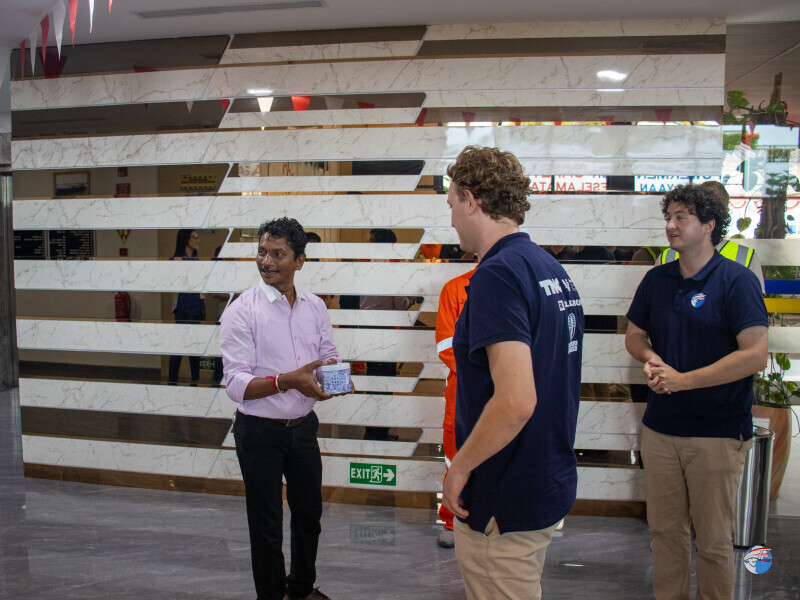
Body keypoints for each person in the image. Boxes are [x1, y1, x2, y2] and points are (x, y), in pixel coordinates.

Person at [441, 146, 584, 600]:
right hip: (541, 479)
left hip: (503, 492)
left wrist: (459, 469)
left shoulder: (497, 275)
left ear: (471, 200)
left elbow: (517, 401)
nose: (451, 219)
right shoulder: (548, 268)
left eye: (451, 204)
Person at [625, 184, 768, 600]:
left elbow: (755, 355)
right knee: (665, 534)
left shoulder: (736, 281)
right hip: (661, 430)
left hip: (716, 433)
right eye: (668, 217)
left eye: (681, 217)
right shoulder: (657, 279)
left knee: (713, 540)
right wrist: (650, 358)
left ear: (709, 225)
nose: (671, 225)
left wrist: (685, 380)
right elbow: (634, 335)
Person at [220, 217, 346, 600]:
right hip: (259, 433)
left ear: (299, 261)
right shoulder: (242, 310)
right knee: (266, 525)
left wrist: (334, 379)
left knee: (309, 515)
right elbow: (236, 385)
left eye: (278, 253)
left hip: (303, 428)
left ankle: (301, 589)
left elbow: (326, 356)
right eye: (262, 252)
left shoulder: (315, 307)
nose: (266, 261)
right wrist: (286, 381)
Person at [434, 265, 476, 548]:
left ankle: (496, 518)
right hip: (464, 387)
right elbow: (445, 344)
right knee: (456, 451)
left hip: (507, 386)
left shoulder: (516, 284)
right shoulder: (455, 289)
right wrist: (482, 374)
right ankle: (452, 520)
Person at [168, 229, 205, 385]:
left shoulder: (197, 260)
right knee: (180, 345)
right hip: (183, 306)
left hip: (197, 304)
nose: (198, 240)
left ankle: (195, 380)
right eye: (194, 237)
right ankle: (172, 381)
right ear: (185, 239)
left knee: (195, 345)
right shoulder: (176, 260)